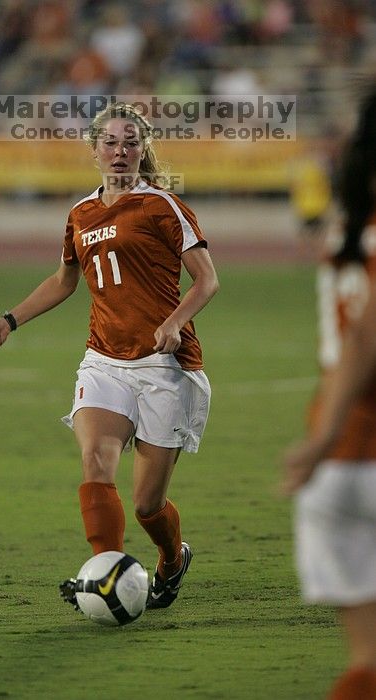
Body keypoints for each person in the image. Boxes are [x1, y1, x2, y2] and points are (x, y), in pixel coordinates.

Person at [0, 102, 219, 611]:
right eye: (110, 143)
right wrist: (9, 319)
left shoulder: (161, 205)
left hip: (163, 367)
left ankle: (172, 559)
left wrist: (173, 323)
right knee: (94, 460)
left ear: (142, 150)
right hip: (105, 359)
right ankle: (107, 574)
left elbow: (207, 279)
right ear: (94, 151)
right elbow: (66, 280)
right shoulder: (81, 213)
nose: (120, 152)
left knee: (148, 506)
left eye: (130, 142)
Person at [282, 88, 376, 699]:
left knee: (366, 661)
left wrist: (321, 439)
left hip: (336, 465)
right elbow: (370, 336)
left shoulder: (346, 232)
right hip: (357, 442)